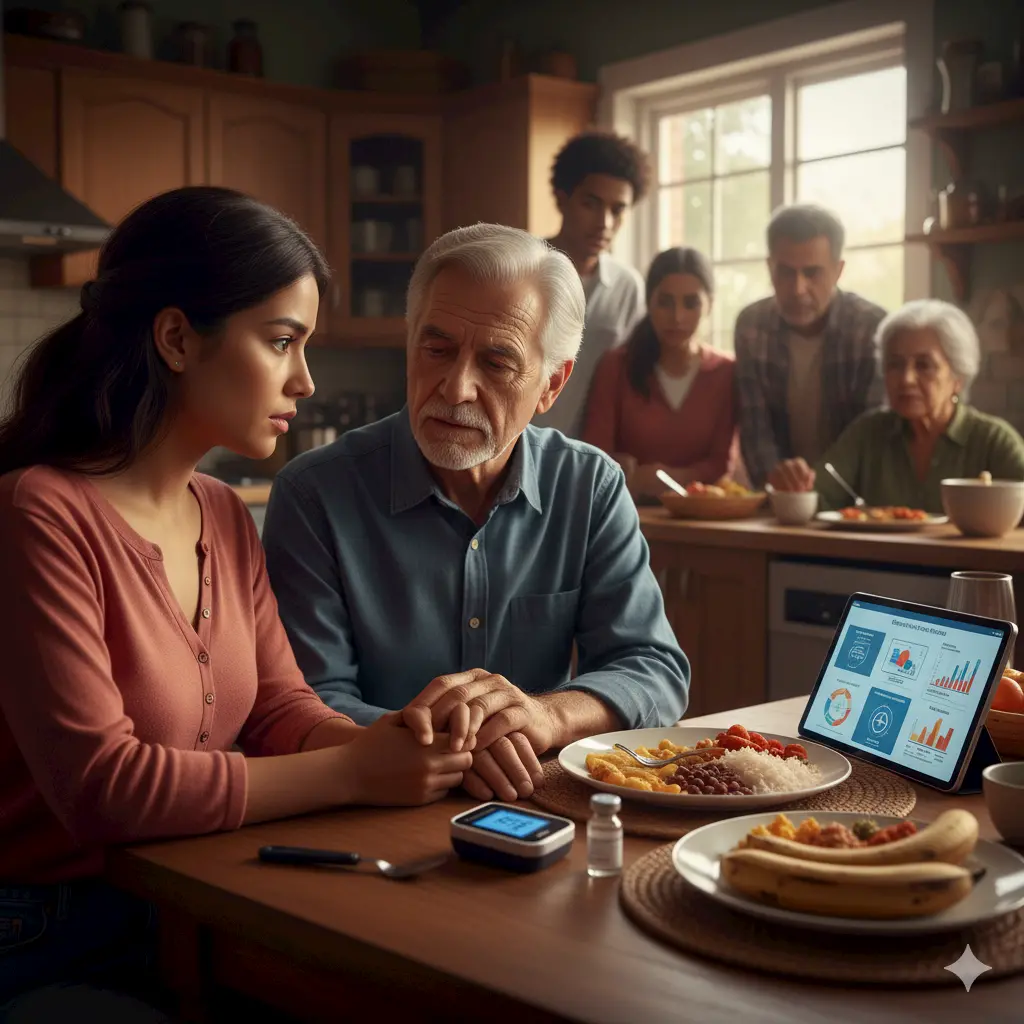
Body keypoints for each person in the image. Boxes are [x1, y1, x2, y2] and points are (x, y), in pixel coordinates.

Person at [0, 187, 473, 1015]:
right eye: (281, 341)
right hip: (46, 936)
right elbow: (102, 787)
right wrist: (354, 771)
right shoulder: (37, 512)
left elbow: (279, 706)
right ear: (178, 338)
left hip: (198, 896)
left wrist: (388, 736)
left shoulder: (221, 509)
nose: (305, 377)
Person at [263, 223, 690, 807]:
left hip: (537, 808)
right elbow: (308, 698)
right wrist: (459, 748)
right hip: (370, 811)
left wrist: (546, 715)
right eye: (436, 349)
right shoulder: (314, 494)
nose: (456, 387)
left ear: (551, 384)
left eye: (496, 362)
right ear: (410, 343)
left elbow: (652, 667)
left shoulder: (589, 486)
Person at [768, 299, 1024, 511]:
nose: (906, 379)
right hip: (877, 570)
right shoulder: (868, 433)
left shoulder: (993, 441)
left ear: (958, 378)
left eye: (924, 365)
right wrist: (792, 485)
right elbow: (816, 497)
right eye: (895, 364)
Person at [734, 203, 887, 488]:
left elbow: (871, 434)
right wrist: (778, 480)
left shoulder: (872, 328)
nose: (797, 289)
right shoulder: (751, 326)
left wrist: (820, 490)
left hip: (853, 495)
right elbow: (755, 429)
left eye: (812, 273)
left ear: (838, 271)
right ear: (770, 267)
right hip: (778, 496)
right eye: (786, 272)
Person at [581, 247, 736, 499]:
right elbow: (594, 454)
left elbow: (721, 464)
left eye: (691, 303)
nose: (677, 316)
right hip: (625, 513)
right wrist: (627, 475)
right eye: (665, 302)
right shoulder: (615, 366)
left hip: (702, 517)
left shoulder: (725, 371)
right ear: (648, 302)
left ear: (710, 305)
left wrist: (664, 478)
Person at [532, 130, 650, 438]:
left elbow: (627, 382)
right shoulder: (521, 267)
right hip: (512, 443)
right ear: (562, 200)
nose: (605, 223)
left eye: (618, 210)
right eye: (591, 204)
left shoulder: (627, 288)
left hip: (586, 454)